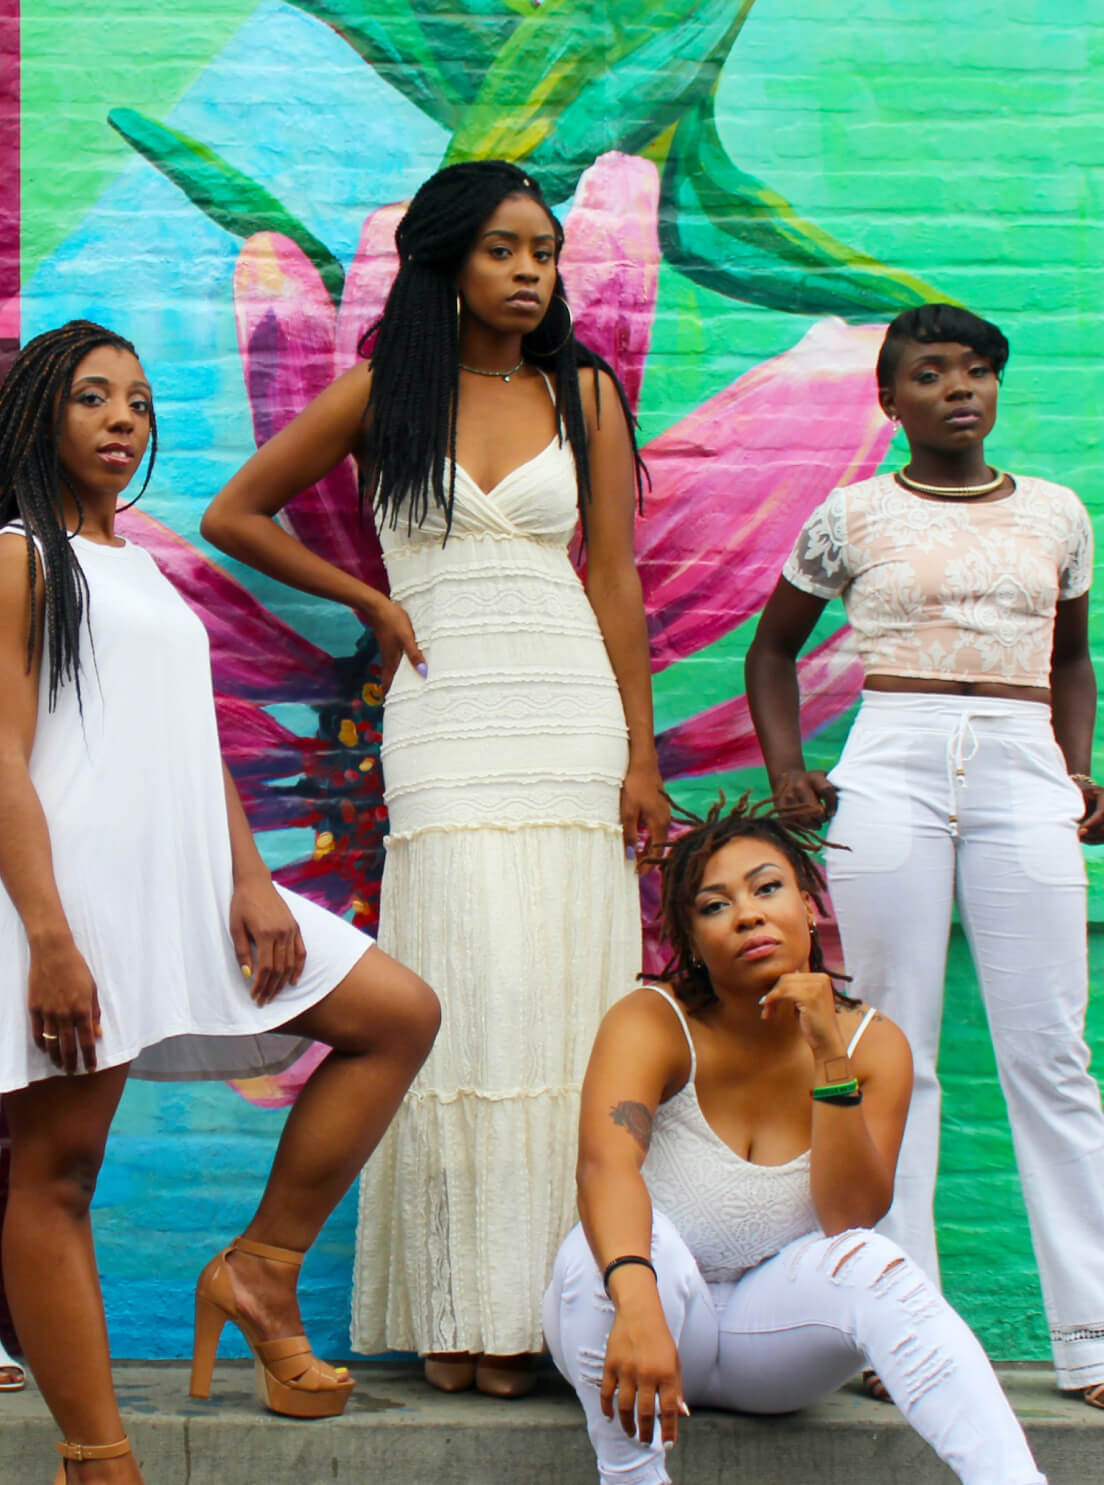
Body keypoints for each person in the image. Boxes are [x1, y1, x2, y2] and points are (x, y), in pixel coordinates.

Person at [201, 159, 668, 1396]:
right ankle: (454, 1311)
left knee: (563, 1006)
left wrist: (641, 757)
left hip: (566, 713)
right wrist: (365, 594)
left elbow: (615, 580)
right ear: (449, 260)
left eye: (547, 252)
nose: (530, 273)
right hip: (446, 714)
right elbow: (234, 514)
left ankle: (536, 1314)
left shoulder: (584, 392)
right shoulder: (382, 391)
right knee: (463, 991)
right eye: (506, 249)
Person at [0, 320, 440, 1483]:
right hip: (75, 897)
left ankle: (259, 1268)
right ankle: (97, 1457)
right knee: (57, 1174)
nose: (121, 420)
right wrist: (47, 934)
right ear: (39, 415)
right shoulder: (16, 556)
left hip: (189, 880)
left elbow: (183, 741)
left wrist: (250, 878)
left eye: (138, 403)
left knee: (396, 1014)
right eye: (92, 398)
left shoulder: (136, 560)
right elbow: (1, 755)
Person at [745, 301, 1104, 1406]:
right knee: (892, 1047)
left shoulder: (1055, 513)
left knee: (1050, 1054)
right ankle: (894, 1331)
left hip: (1020, 765)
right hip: (890, 761)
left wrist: (1079, 767)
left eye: (980, 371)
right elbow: (772, 650)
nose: (963, 389)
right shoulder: (850, 516)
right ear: (889, 399)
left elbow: (1074, 658)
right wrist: (788, 769)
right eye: (935, 373)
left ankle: (1091, 1342)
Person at [543, 797, 1048, 1485]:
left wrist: (828, 1055)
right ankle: (632, 1477)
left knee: (876, 1262)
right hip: (649, 1315)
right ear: (690, 940)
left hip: (774, 1337)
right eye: (715, 905)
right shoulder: (653, 1020)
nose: (748, 913)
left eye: (768, 887)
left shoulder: (872, 1045)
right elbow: (605, 1167)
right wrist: (637, 1306)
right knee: (601, 1254)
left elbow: (848, 1218)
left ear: (809, 907)